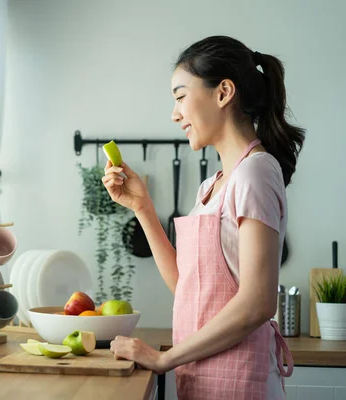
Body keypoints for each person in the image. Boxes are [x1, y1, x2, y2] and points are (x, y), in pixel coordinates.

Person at [104, 35, 305, 400]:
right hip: (203, 378)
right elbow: (188, 288)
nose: (174, 113)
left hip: (242, 382)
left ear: (224, 92)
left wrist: (164, 359)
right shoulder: (211, 186)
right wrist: (143, 208)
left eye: (180, 96)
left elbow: (258, 302)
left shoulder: (255, 172)